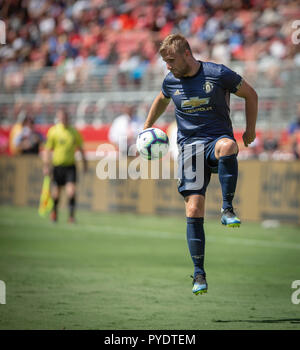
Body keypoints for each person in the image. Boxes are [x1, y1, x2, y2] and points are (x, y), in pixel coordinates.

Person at [143, 34, 258, 295]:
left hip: (216, 140)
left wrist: (250, 130)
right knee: (194, 208)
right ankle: (199, 274)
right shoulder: (170, 80)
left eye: (171, 60)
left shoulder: (217, 74)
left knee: (229, 146)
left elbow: (251, 95)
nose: (168, 66)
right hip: (189, 150)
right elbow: (161, 99)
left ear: (186, 53)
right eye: (165, 62)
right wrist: (147, 126)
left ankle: (227, 209)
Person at [43, 108, 87, 223]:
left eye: (65, 117)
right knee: (56, 193)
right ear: (59, 118)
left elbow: (81, 149)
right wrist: (46, 166)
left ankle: (71, 216)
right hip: (57, 166)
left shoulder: (74, 132)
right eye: (61, 118)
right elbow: (47, 150)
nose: (63, 120)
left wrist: (84, 163)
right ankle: (54, 213)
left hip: (70, 166)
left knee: (71, 191)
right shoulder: (53, 131)